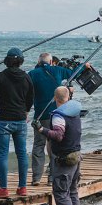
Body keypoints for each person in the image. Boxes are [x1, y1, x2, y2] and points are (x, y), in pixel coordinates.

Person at [33, 86, 83, 205]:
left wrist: (41, 130)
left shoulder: (58, 115)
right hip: (76, 155)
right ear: (68, 97)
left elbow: (58, 135)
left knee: (60, 193)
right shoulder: (74, 110)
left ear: (55, 98)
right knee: (72, 190)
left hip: (65, 159)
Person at [0, 47, 34, 198]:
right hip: (21, 119)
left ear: (7, 60)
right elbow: (30, 99)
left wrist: (1, 100)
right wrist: (25, 111)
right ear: (21, 61)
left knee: (3, 155)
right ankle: (22, 187)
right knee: (22, 154)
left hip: (4, 121)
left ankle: (3, 188)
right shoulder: (27, 77)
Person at [27, 53, 74, 186]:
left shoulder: (32, 73)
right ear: (52, 61)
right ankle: (52, 178)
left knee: (38, 146)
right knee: (54, 146)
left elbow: (28, 94)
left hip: (40, 115)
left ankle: (36, 178)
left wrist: (25, 111)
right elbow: (75, 72)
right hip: (56, 115)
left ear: (38, 62)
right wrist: (85, 66)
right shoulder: (57, 70)